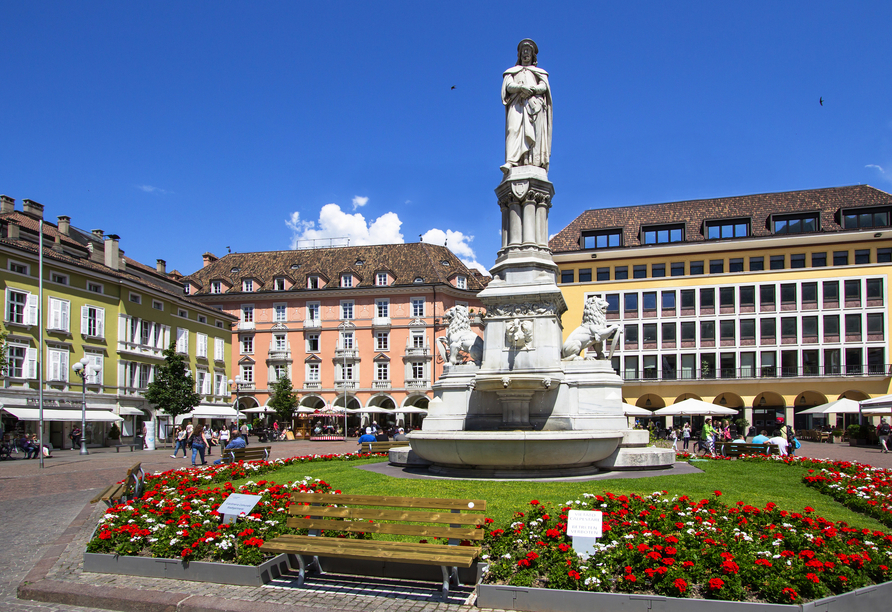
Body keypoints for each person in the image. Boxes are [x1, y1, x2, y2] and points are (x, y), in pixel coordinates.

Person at [501, 39, 552, 173]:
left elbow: (544, 86)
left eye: (528, 51)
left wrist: (533, 90)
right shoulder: (512, 71)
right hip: (517, 104)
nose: (525, 53)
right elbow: (508, 86)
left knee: (534, 135)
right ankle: (511, 162)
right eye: (523, 51)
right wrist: (521, 88)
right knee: (513, 129)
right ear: (519, 54)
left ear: (533, 55)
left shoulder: (540, 72)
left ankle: (533, 162)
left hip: (534, 107)